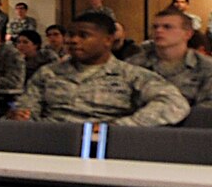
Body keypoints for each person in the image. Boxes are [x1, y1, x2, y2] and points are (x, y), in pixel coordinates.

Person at [12, 11, 188, 125]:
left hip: (104, 146)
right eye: (71, 35)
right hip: (51, 143)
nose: (73, 40)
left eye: (83, 36)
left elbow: (174, 103)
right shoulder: (49, 72)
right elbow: (27, 108)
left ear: (108, 40)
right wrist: (21, 116)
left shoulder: (130, 74)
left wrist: (122, 127)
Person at [131, 7, 212, 106]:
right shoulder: (135, 64)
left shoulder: (206, 67)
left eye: (167, 27)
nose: (159, 30)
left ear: (187, 34)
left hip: (189, 119)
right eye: (155, 27)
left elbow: (206, 110)